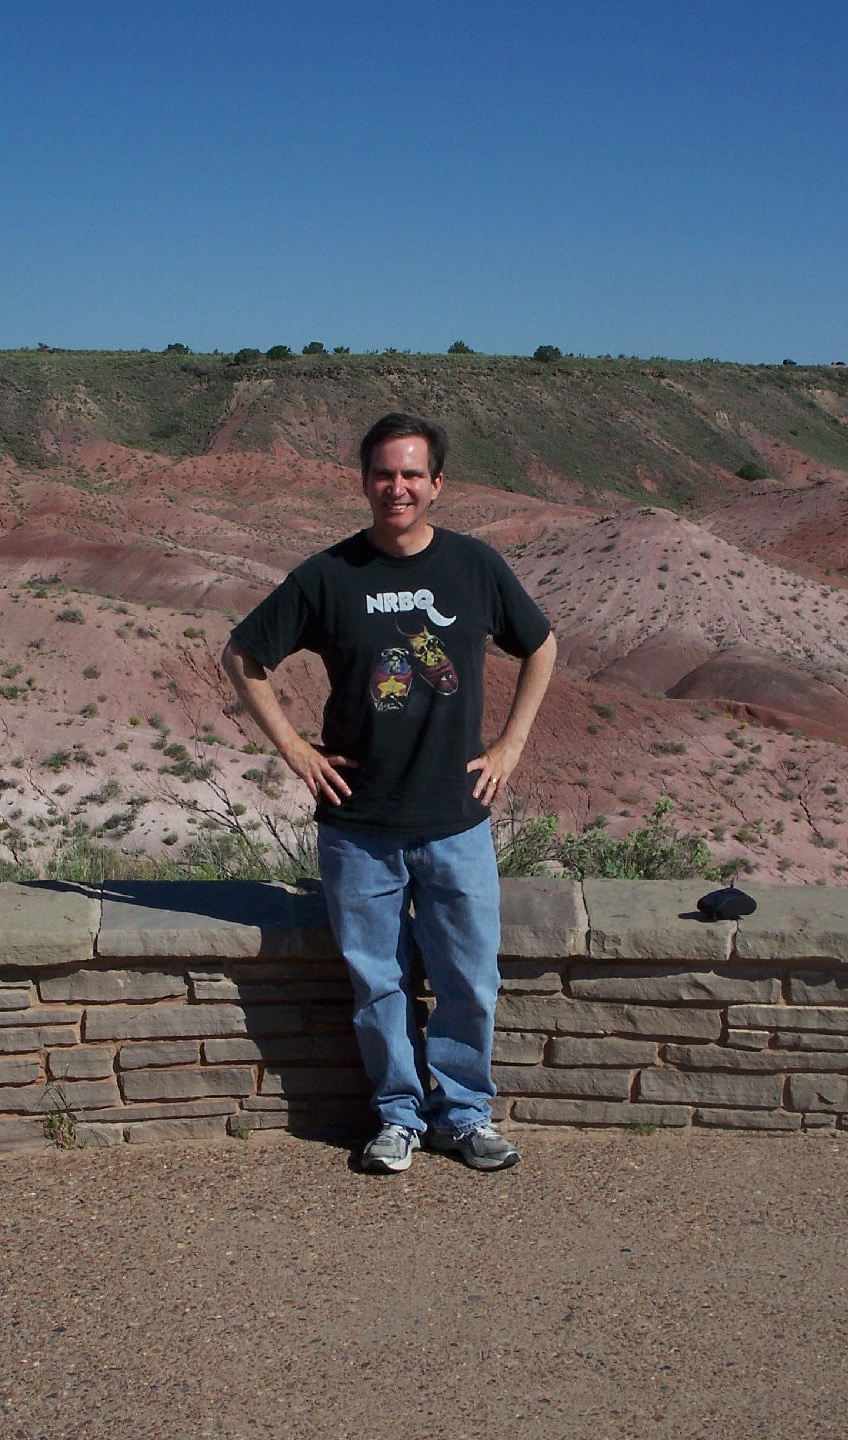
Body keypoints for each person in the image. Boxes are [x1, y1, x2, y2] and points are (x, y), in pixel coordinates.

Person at [221, 413, 557, 1173]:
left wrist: (510, 746)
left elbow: (540, 645)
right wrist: (296, 750)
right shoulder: (328, 576)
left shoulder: (474, 568)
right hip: (358, 824)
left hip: (455, 819)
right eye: (383, 473)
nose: (396, 487)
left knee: (470, 980)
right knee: (378, 984)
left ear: (436, 484)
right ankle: (399, 1116)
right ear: (365, 481)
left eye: (411, 474)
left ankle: (467, 1115)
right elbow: (242, 656)